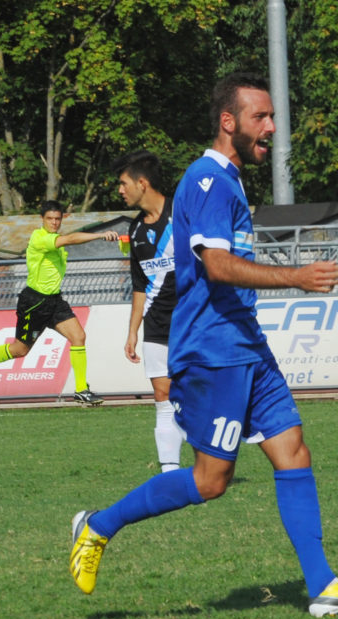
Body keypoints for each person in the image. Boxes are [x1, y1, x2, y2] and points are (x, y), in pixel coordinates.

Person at [69, 72, 338, 617]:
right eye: (259, 118)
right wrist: (295, 277)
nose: (270, 126)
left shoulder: (231, 180)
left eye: (271, 116)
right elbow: (216, 266)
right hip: (213, 351)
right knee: (210, 481)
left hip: (246, 343)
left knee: (293, 453)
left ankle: (323, 588)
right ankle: (98, 525)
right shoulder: (208, 180)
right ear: (228, 123)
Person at [0, 201, 118, 405]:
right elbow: (69, 239)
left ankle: (81, 390)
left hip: (54, 301)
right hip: (34, 303)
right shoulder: (40, 238)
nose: (54, 222)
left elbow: (65, 239)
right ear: (42, 219)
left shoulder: (55, 237)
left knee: (78, 336)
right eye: (49, 219)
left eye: (57, 219)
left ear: (62, 219)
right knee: (20, 350)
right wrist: (100, 235)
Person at [112, 150, 183, 472]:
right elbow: (139, 284)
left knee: (198, 394)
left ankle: (213, 464)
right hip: (156, 324)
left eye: (124, 183)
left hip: (192, 321)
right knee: (162, 393)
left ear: (143, 183)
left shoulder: (182, 216)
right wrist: (132, 332)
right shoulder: (137, 230)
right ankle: (170, 473)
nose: (120, 190)